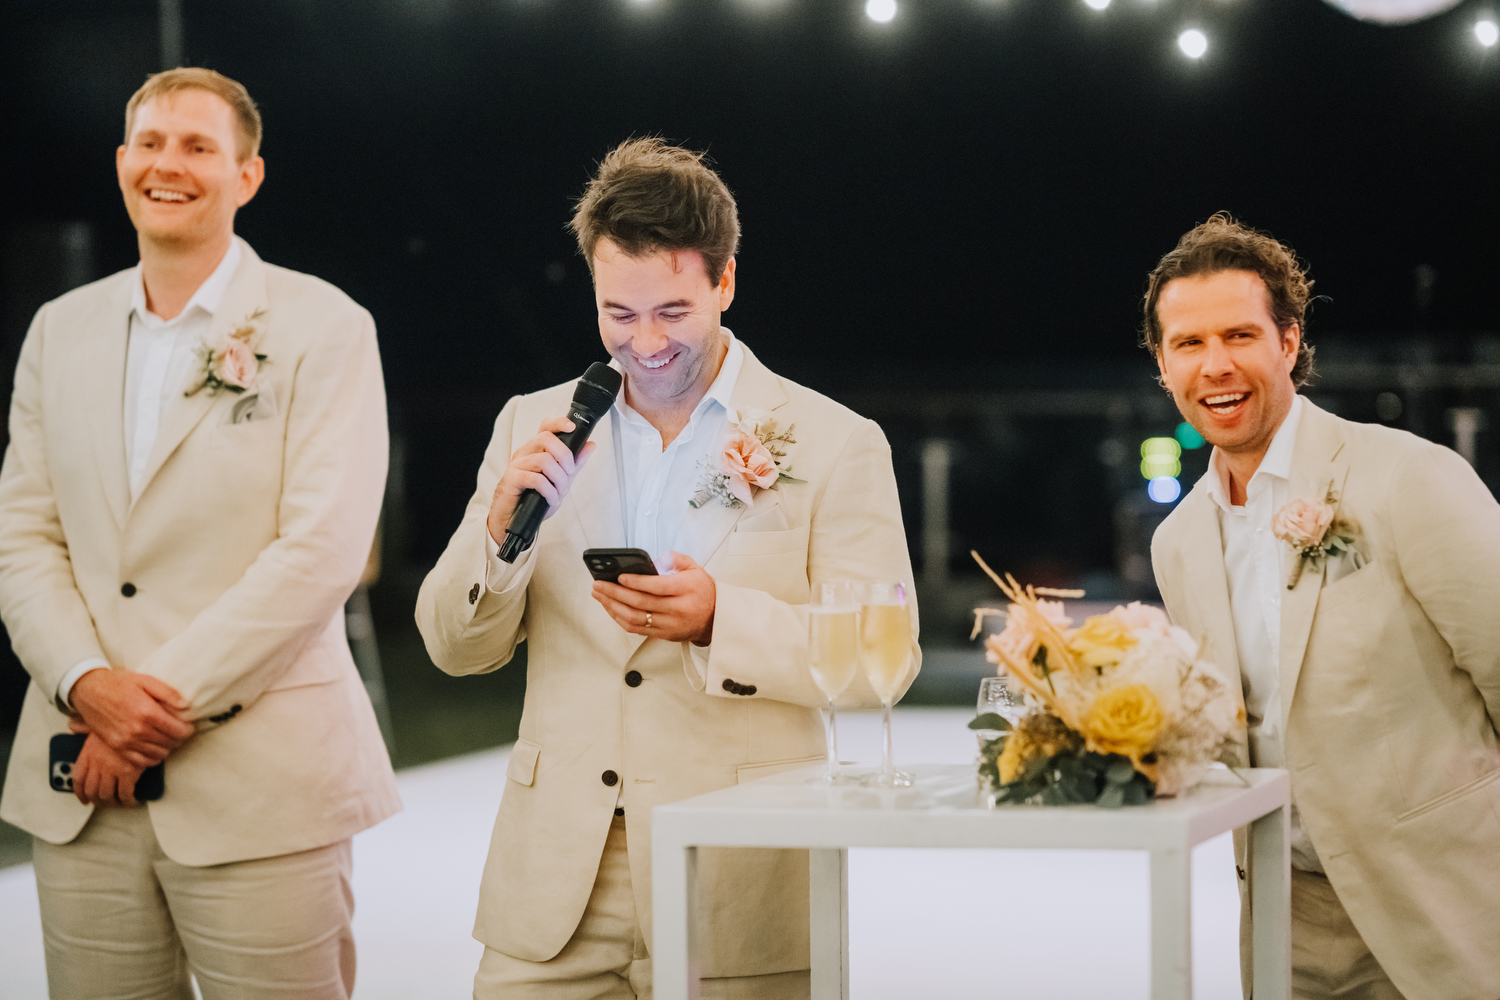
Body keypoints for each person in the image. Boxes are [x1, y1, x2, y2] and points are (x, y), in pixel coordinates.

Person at [416, 138, 919, 999]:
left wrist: (722, 619)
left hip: (738, 878)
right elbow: (453, 648)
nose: (643, 342)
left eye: (672, 312)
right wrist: (499, 536)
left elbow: (889, 660)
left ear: (726, 282)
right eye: (618, 313)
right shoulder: (530, 425)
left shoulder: (837, 441)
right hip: (553, 886)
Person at [0, 68, 399, 999]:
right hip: (80, 785)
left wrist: (143, 715)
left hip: (261, 788)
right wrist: (84, 682)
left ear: (246, 176)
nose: (167, 165)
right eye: (149, 143)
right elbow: (24, 537)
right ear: (121, 162)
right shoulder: (59, 329)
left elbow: (321, 552)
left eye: (197, 147)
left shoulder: (325, 326)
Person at [1147, 213, 1500, 1000]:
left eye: (1240, 335)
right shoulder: (1178, 543)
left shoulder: (1408, 477)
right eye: (1189, 343)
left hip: (1444, 905)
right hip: (1284, 916)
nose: (1215, 365)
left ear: (1289, 342)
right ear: (1162, 365)